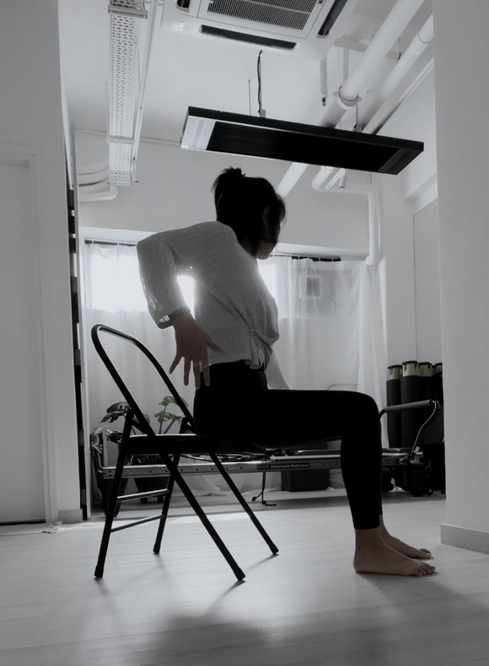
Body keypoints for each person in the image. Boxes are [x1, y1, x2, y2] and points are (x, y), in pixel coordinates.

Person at [137, 167, 435, 577]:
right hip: (230, 402)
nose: (277, 228)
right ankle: (369, 545)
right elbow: (151, 248)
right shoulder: (220, 239)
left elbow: (259, 349)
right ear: (264, 216)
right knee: (362, 410)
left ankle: (378, 536)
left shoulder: (235, 264)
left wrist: (289, 402)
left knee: (360, 411)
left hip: (245, 398)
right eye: (277, 219)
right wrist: (181, 320)